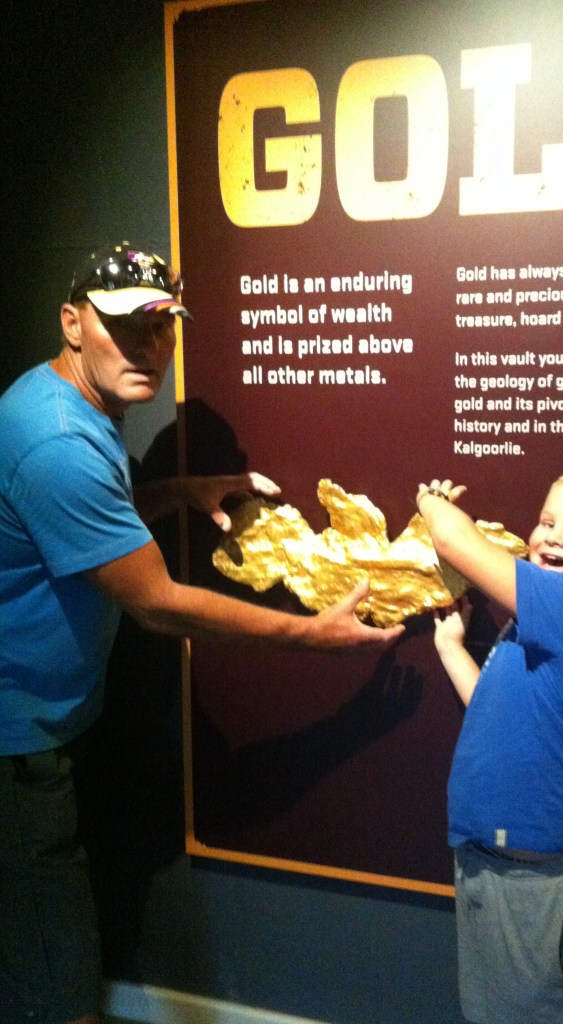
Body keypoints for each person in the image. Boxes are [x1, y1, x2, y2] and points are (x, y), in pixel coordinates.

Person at [0, 242, 403, 1024]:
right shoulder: (57, 443)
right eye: (124, 325)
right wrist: (311, 635)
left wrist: (177, 491)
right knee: (58, 974)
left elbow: (88, 527)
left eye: (162, 326)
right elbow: (157, 603)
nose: (148, 347)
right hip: (16, 742)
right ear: (72, 323)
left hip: (45, 721)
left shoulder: (61, 406)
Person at [415, 470, 563, 1024]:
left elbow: (451, 538)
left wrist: (429, 501)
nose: (552, 536)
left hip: (537, 878)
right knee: (493, 1012)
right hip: (488, 861)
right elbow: (496, 711)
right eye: (547, 522)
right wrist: (452, 650)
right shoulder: (535, 625)